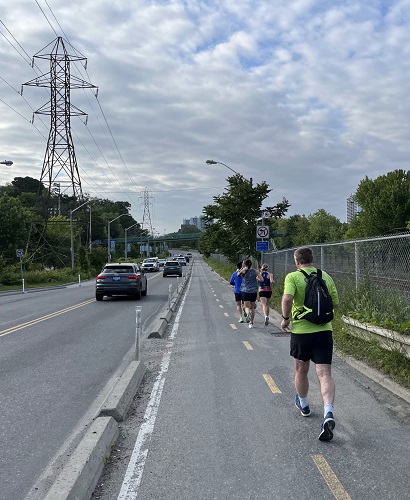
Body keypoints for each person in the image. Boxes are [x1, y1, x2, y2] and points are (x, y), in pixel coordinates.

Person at [281, 247, 339, 441]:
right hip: (324, 330)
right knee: (324, 374)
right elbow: (335, 303)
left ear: (297, 261)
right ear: (312, 260)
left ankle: (304, 405)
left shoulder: (293, 277)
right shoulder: (326, 276)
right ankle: (328, 412)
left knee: (301, 370)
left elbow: (288, 298)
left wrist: (285, 318)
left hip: (302, 332)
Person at [237, 259, 261, 329]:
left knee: (246, 307)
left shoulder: (244, 271)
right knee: (252, 307)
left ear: (244, 264)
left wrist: (242, 267)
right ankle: (251, 323)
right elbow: (262, 279)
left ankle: (248, 314)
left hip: (245, 291)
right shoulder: (255, 271)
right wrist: (257, 278)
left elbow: (238, 274)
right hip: (253, 291)